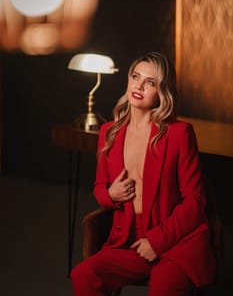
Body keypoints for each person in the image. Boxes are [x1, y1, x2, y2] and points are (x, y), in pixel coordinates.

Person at [70, 52, 216, 296]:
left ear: (162, 91)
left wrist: (157, 241)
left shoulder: (179, 134)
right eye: (135, 77)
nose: (138, 86)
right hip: (130, 240)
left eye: (150, 82)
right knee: (84, 275)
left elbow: (195, 201)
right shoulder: (109, 132)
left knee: (162, 289)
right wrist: (111, 194)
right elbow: (99, 188)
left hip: (175, 240)